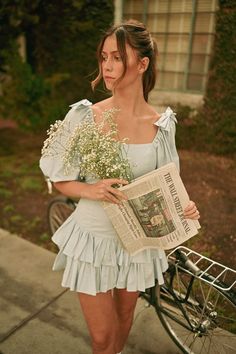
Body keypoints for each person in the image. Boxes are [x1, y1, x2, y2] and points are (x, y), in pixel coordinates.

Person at [40, 19, 200, 354]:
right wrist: (91, 190)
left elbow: (169, 185)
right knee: (101, 337)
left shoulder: (161, 126)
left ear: (143, 64)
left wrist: (184, 207)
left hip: (138, 243)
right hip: (93, 241)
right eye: (104, 57)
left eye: (117, 57)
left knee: (125, 316)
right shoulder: (85, 116)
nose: (108, 66)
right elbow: (59, 177)